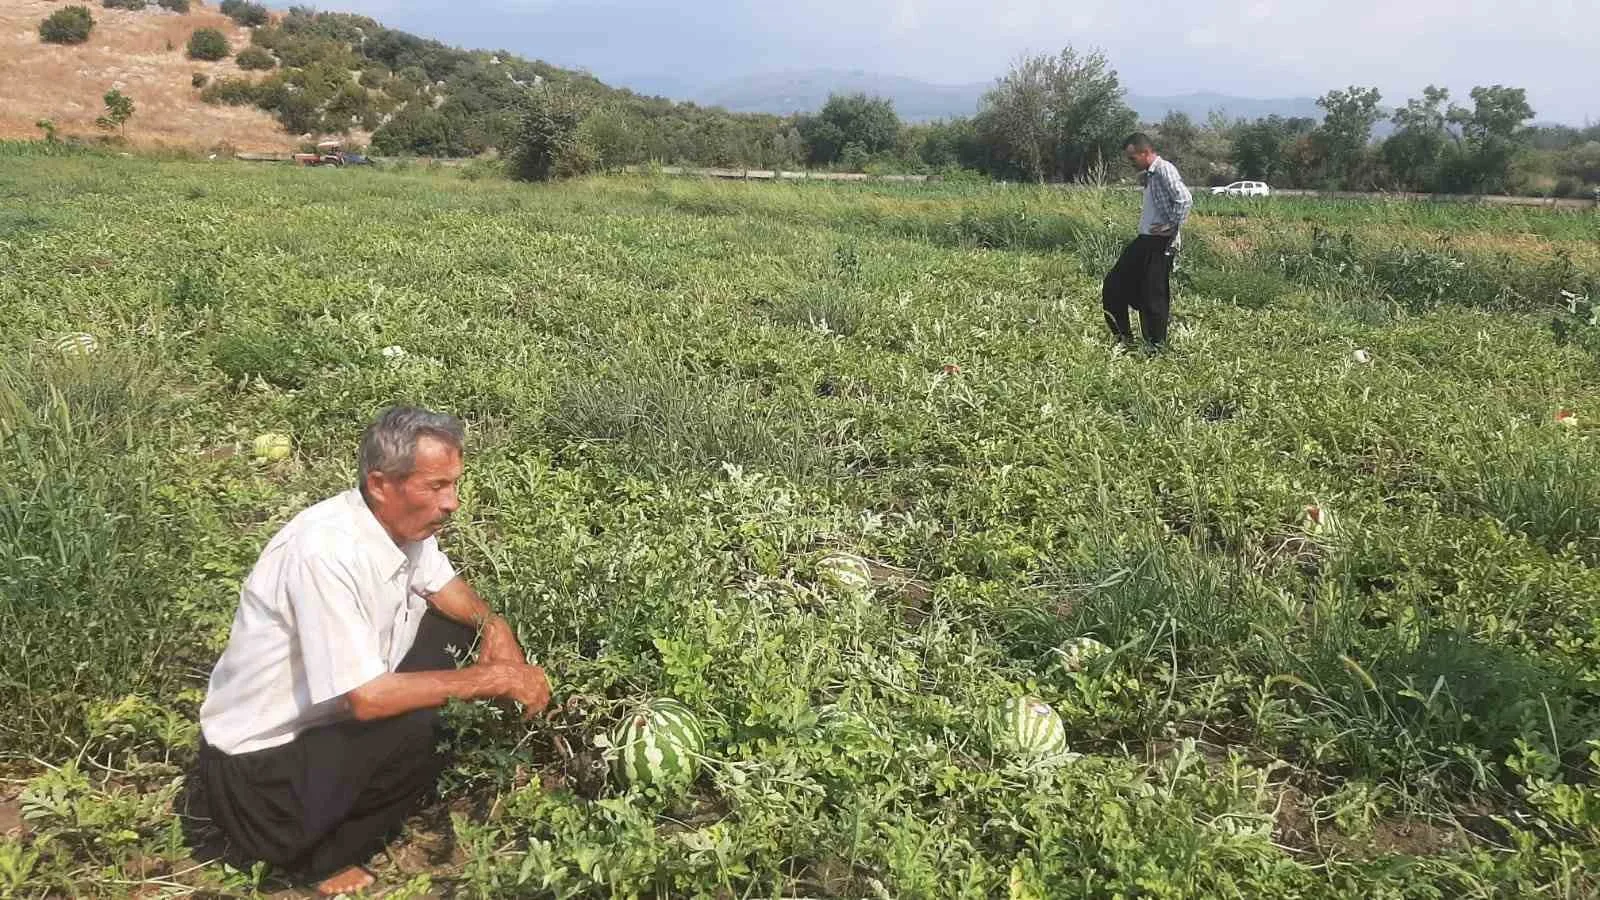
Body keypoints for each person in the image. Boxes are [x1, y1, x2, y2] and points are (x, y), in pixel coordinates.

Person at [195, 406, 551, 895]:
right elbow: (365, 699)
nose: (453, 503)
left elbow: (442, 584)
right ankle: (317, 858)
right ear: (381, 484)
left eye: (454, 484)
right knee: (427, 723)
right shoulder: (325, 553)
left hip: (319, 727)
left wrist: (495, 625)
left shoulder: (396, 524)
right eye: (436, 487)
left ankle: (346, 801)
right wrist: (497, 679)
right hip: (260, 784)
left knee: (457, 635)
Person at [1102, 132, 1193, 349]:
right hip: (1145, 240)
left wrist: (1171, 226)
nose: (1130, 162)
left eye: (1132, 158)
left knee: (1153, 297)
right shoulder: (1151, 174)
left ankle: (1156, 346)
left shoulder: (1163, 170)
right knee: (1114, 287)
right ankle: (1124, 338)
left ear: (1145, 152)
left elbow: (1185, 199)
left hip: (1158, 244)